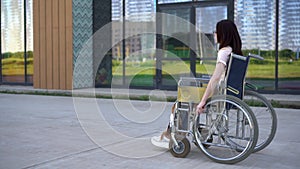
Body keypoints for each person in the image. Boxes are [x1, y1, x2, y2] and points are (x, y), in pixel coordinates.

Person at [151, 19, 243, 149]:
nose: (214, 34)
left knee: (180, 103)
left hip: (217, 93)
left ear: (223, 33)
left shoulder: (223, 52)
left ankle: (175, 136)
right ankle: (183, 133)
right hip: (224, 92)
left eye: (216, 31)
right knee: (186, 96)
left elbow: (215, 79)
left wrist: (203, 101)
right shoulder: (233, 51)